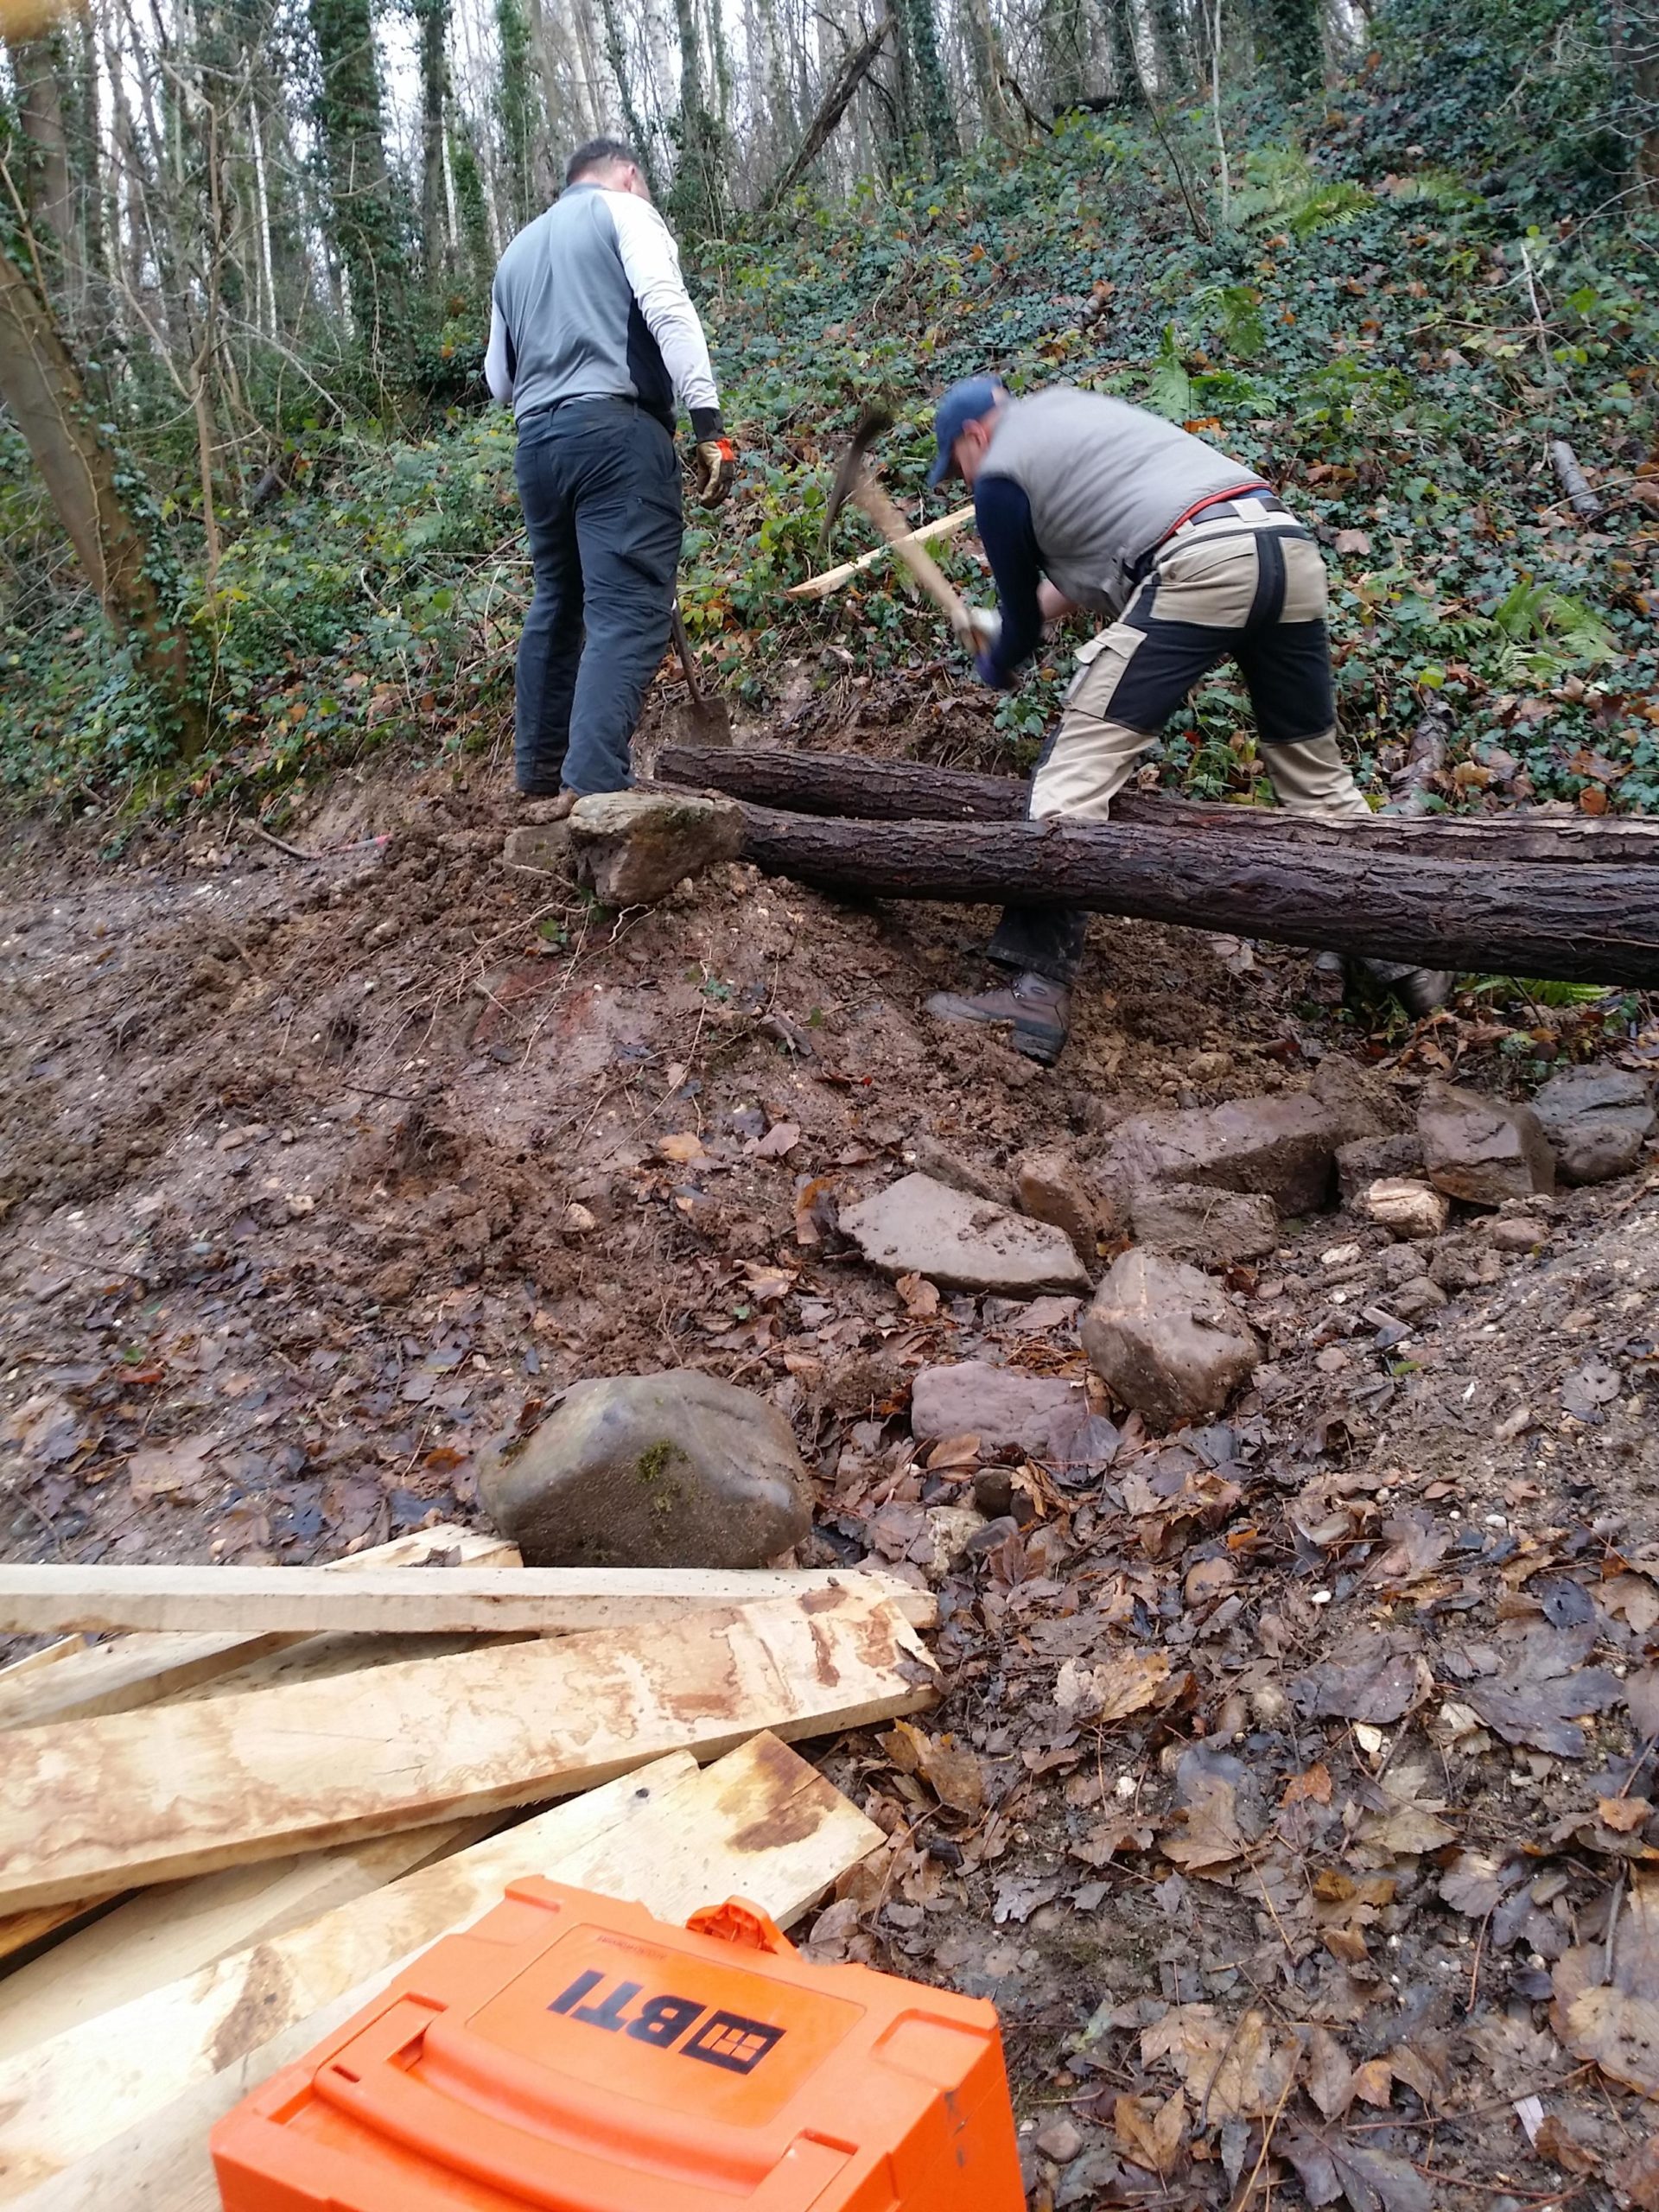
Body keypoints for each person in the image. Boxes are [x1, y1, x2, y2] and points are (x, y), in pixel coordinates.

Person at [920, 376, 1450, 1065]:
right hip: (1282, 547)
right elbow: (1093, 567)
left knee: (1074, 771)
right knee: (1314, 778)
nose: (964, 483)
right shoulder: (1072, 417)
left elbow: (1022, 623)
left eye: (955, 465)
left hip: (1199, 564)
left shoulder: (998, 476)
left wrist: (997, 660)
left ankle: (1035, 992)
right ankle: (1403, 955)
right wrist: (1001, 624)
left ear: (973, 437)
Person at [485, 137, 736, 810]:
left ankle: (540, 778)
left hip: (537, 445)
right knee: (626, 609)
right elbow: (667, 306)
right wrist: (708, 424)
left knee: (557, 605)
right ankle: (595, 785)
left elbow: (499, 383)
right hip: (617, 436)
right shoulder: (625, 213)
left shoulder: (514, 252)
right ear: (628, 177)